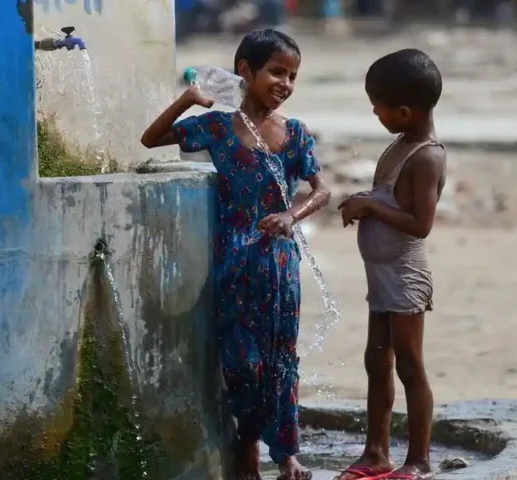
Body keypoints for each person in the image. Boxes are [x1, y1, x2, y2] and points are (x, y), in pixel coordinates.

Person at [140, 29, 330, 480]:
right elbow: (152, 138)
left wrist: (290, 214)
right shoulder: (218, 127)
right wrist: (189, 99)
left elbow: (321, 191)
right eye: (276, 72)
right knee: (242, 361)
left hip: (280, 265)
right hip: (234, 262)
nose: (285, 83)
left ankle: (287, 455)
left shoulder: (295, 133)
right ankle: (246, 448)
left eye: (292, 76)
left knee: (283, 358)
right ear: (246, 71)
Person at [335, 49, 446, 480]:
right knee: (375, 361)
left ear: (403, 111)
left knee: (409, 366)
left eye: (377, 105)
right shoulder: (400, 145)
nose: (373, 112)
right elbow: (390, 199)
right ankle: (376, 453)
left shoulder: (427, 157)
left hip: (404, 277)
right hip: (380, 278)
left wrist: (371, 207)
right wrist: (366, 202)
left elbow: (421, 224)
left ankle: (419, 460)